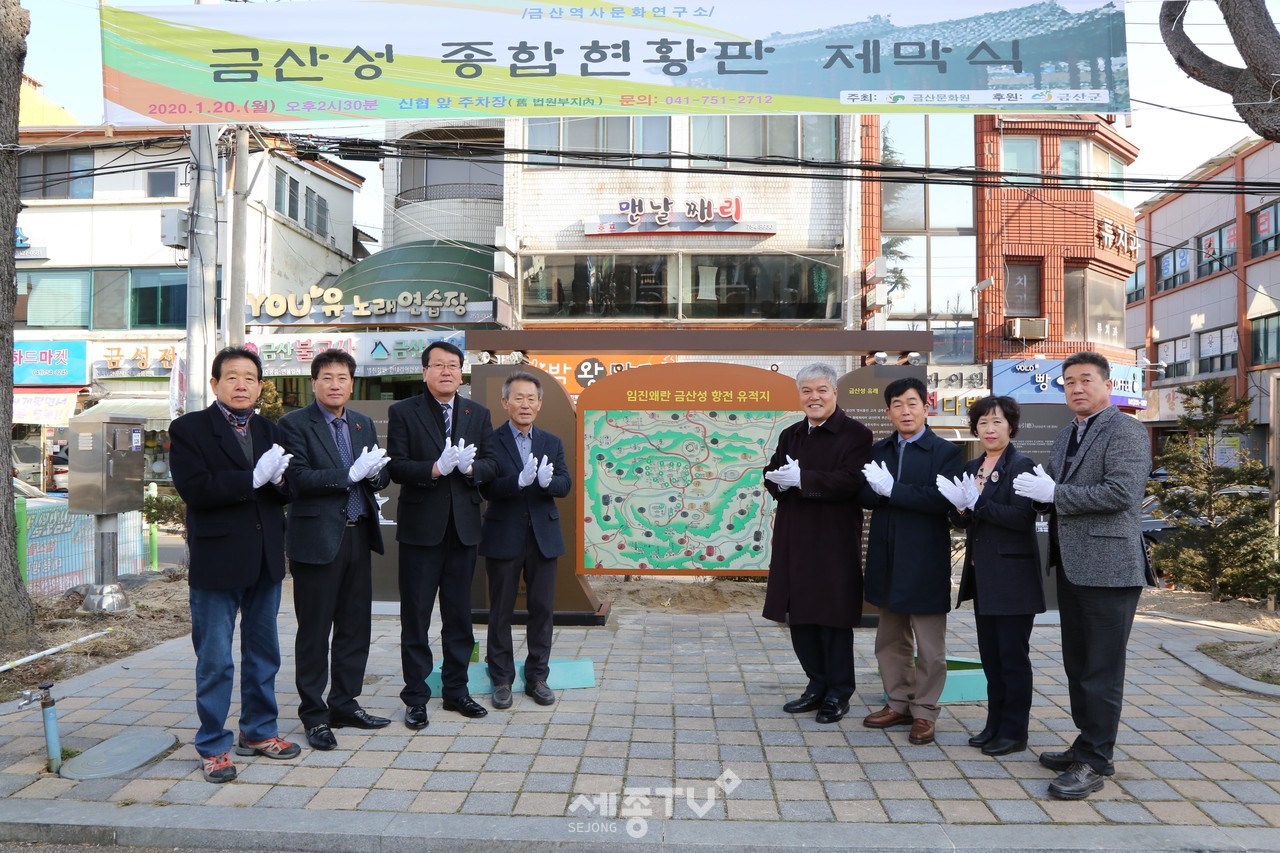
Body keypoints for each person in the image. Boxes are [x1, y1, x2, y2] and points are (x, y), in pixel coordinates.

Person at [1013, 351, 1154, 800]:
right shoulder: (1065, 436)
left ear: (1107, 384)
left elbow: (1121, 493)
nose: (1076, 388)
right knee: (1078, 664)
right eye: (1069, 381)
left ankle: (1096, 759)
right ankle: (1085, 742)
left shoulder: (1127, 431)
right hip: (1073, 566)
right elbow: (1050, 492)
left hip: (1111, 568)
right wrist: (1027, 495)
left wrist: (1055, 492)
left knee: (1102, 669)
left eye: (1085, 380)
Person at [168, 346, 299, 783]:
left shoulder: (270, 429)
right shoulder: (189, 429)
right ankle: (213, 744)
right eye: (232, 377)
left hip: (265, 559)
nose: (241, 384)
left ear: (260, 386)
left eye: (250, 377)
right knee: (216, 659)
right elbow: (196, 488)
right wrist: (252, 479)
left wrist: (281, 481)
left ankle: (259, 731)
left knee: (264, 654)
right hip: (217, 560)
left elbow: (286, 490)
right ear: (215, 384)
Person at [278, 349, 393, 751]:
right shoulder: (294, 424)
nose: (335, 384)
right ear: (314, 383)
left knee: (354, 627)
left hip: (358, 534)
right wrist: (349, 474)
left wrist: (377, 475)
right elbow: (298, 479)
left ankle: (344, 703)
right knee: (314, 631)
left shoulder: (360, 423)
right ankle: (314, 714)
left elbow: (377, 475)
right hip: (316, 541)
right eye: (327, 377)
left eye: (342, 377)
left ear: (352, 383)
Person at [388, 340, 498, 729]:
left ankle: (456, 691)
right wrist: (434, 469)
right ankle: (416, 697)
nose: (447, 371)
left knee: (459, 617)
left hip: (464, 530)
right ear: (424, 371)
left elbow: (492, 464)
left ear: (461, 371)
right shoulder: (403, 411)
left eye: (453, 365)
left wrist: (471, 470)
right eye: (438, 365)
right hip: (421, 531)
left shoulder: (477, 413)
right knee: (416, 617)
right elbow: (397, 467)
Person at [762, 363, 873, 725]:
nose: (814, 397)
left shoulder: (855, 434)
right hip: (795, 538)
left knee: (833, 618)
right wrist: (776, 480)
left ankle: (839, 691)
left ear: (835, 393)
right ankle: (815, 684)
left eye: (821, 390)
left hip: (833, 540)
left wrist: (803, 479)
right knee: (801, 617)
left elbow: (852, 481)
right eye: (807, 391)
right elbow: (773, 472)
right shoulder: (791, 434)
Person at [936, 396, 1044, 758]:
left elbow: (1020, 518)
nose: (990, 429)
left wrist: (977, 503)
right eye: (983, 422)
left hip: (1013, 578)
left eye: (997, 422)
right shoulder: (974, 466)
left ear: (1011, 426)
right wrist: (958, 509)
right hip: (983, 577)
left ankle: (1015, 732)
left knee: (1013, 658)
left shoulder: (1021, 465)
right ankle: (994, 724)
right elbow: (965, 521)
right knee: (992, 658)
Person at [859, 376, 963, 746]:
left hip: (924, 559)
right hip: (886, 557)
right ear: (888, 412)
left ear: (926, 406)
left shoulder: (945, 452)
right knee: (889, 640)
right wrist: (876, 490)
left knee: (930, 648)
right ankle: (898, 702)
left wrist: (894, 491)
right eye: (897, 405)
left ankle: (925, 712)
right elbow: (865, 496)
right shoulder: (880, 450)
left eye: (912, 403)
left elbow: (940, 499)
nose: (905, 410)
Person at [479, 371, 572, 709]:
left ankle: (537, 677)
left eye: (531, 399)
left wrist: (548, 483)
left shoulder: (552, 442)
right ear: (505, 402)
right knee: (500, 610)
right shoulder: (490, 441)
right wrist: (516, 482)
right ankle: (501, 678)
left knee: (542, 610)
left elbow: (565, 483)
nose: (525, 404)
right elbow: (485, 487)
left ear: (540, 404)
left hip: (543, 537)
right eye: (518, 398)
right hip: (503, 534)